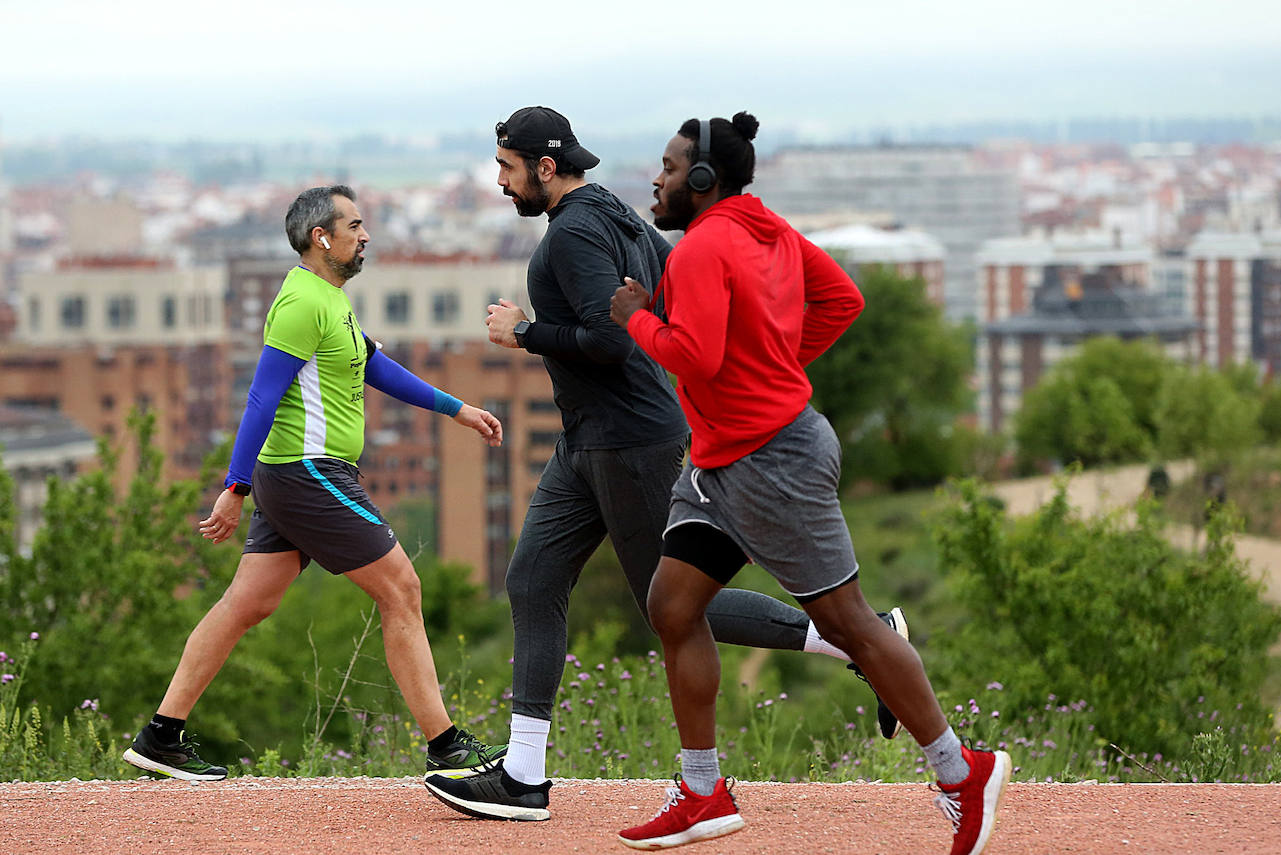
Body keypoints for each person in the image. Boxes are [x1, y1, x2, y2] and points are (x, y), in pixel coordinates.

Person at [423, 107, 908, 823]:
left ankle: (862, 640)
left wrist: (523, 332)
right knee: (532, 577)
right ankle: (523, 773)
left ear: (544, 168)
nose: (500, 182)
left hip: (629, 440)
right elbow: (661, 288)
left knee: (675, 601)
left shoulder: (576, 234)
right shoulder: (614, 214)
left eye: (506, 168)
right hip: (589, 438)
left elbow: (612, 339)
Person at [608, 115, 1010, 854]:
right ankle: (703, 791)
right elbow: (842, 300)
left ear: (703, 180)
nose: (656, 181)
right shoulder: (768, 232)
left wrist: (636, 317)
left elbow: (691, 357)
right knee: (672, 604)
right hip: (721, 460)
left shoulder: (702, 249)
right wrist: (773, 364)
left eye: (667, 167)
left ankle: (963, 771)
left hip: (770, 463)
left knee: (851, 622)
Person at [123, 185, 507, 782]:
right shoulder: (302, 303)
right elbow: (261, 396)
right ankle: (446, 746)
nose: (365, 235)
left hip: (298, 474)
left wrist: (456, 409)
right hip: (306, 472)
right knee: (401, 589)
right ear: (320, 238)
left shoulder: (329, 300)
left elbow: (371, 363)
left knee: (246, 604)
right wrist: (235, 485)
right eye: (354, 225)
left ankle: (160, 736)